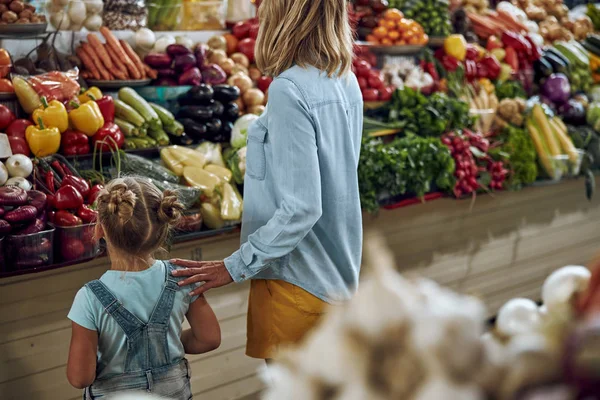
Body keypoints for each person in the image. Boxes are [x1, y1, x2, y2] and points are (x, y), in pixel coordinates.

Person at [172, 0, 363, 361]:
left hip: (297, 282)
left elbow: (303, 207)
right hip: (336, 279)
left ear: (282, 14)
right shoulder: (345, 79)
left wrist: (232, 267)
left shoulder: (289, 89)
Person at [66, 177, 221, 399]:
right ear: (162, 233)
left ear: (100, 229)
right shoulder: (180, 277)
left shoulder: (89, 298)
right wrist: (170, 344)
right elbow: (209, 338)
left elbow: (80, 377)